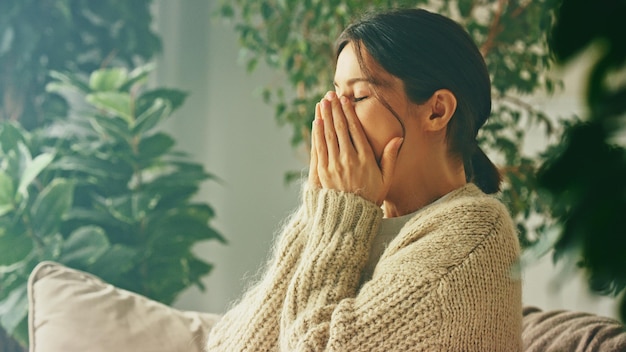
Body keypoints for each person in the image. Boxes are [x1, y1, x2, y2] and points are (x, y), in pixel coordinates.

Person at [206, 8, 521, 351]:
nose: (332, 115)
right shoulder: (351, 215)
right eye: (334, 95)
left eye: (357, 97)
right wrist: (321, 210)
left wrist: (339, 215)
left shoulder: (474, 236)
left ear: (437, 111)